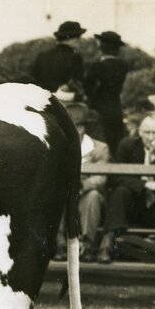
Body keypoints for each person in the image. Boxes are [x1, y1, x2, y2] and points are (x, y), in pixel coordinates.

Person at [97, 112, 155, 263]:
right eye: (147, 132)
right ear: (139, 132)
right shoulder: (127, 145)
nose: (151, 137)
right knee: (120, 191)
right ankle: (106, 244)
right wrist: (145, 184)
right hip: (133, 205)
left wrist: (153, 155)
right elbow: (116, 178)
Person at [54, 103, 109, 262]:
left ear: (85, 127)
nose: (75, 130)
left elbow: (101, 177)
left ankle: (86, 244)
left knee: (93, 196)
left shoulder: (100, 148)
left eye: (79, 126)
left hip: (85, 192)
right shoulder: (56, 146)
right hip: (63, 192)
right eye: (69, 126)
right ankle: (59, 244)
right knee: (55, 195)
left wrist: (82, 186)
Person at [84, 30, 130, 151]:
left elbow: (87, 87)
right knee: (116, 139)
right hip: (115, 106)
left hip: (99, 107)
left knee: (100, 139)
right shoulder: (123, 66)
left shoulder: (97, 66)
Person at [30, 20, 85, 93]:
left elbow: (34, 80)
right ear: (71, 38)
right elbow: (77, 82)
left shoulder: (42, 56)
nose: (80, 41)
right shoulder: (75, 57)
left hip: (43, 100)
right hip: (64, 101)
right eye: (78, 37)